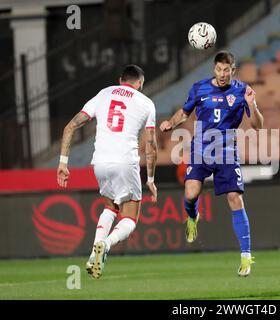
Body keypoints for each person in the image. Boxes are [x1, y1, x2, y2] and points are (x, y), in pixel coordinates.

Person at [159, 51, 264, 276]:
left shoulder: (242, 90)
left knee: (235, 198)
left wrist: (252, 104)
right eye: (219, 69)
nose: (223, 74)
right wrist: (171, 122)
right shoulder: (199, 88)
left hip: (226, 152)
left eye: (227, 70)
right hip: (200, 149)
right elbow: (184, 112)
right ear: (214, 69)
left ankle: (246, 257)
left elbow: (258, 126)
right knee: (190, 193)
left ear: (233, 70)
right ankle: (192, 216)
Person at [57, 65, 158, 279]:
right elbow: (151, 145)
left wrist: (63, 163)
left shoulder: (104, 94)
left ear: (120, 79)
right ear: (140, 83)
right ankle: (106, 243)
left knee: (110, 207)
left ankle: (93, 256)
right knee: (130, 217)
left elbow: (69, 127)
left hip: (100, 161)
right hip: (125, 161)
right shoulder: (146, 103)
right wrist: (150, 178)